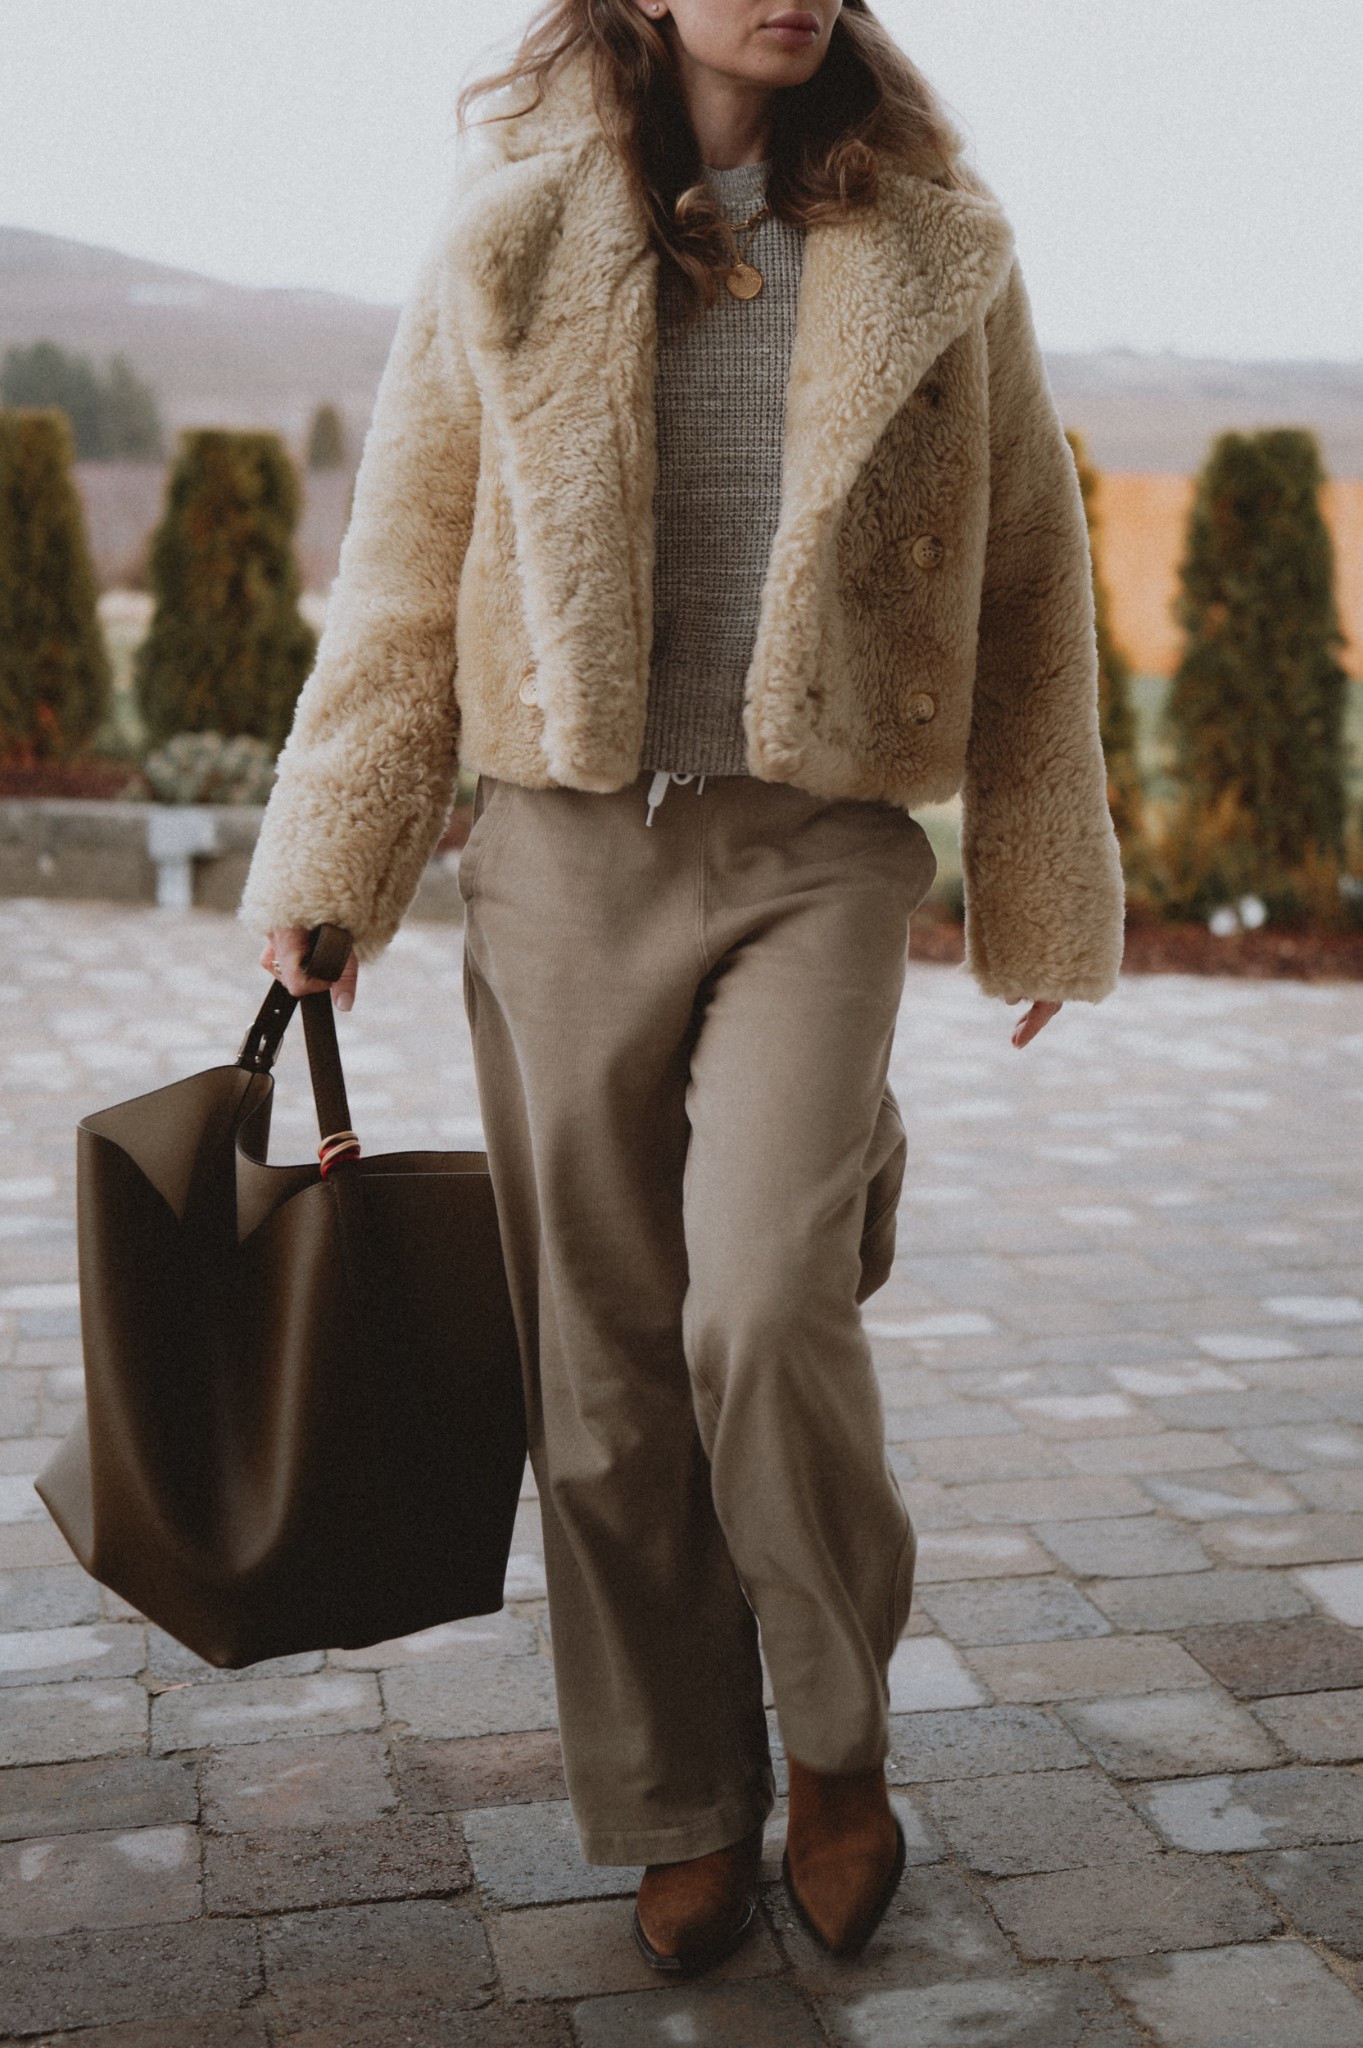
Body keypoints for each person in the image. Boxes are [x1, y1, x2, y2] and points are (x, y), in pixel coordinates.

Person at [242, 0, 1123, 1976]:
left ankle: (830, 1741)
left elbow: (1029, 571)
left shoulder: (928, 234)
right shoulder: (516, 230)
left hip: (816, 848)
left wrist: (1044, 881)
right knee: (609, 1371)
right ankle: (674, 1801)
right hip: (560, 856)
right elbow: (406, 562)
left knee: (762, 1298)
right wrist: (333, 867)